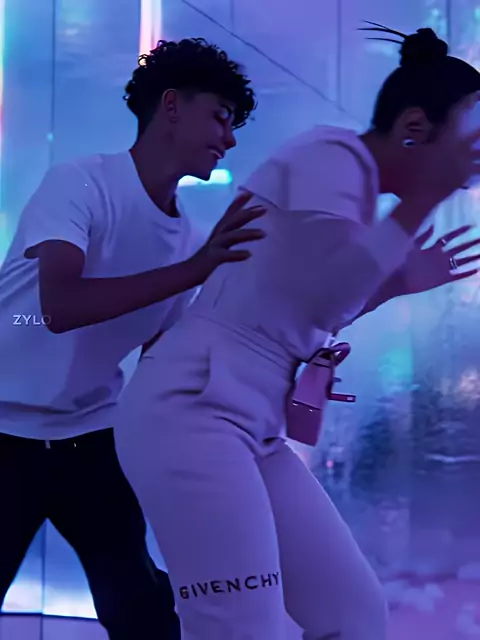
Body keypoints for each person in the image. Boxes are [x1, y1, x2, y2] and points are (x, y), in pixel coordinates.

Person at [113, 27, 480, 640]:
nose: (474, 164)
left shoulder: (353, 187)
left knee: (353, 616)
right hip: (194, 409)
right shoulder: (331, 158)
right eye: (472, 142)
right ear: (415, 125)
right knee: (240, 626)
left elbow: (311, 308)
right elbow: (328, 292)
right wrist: (417, 205)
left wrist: (397, 281)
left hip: (249, 421)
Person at [0, 38, 264, 639]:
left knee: (141, 609)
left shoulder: (187, 237)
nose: (229, 139)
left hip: (89, 436)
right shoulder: (79, 183)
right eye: (220, 117)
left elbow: (161, 361)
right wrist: (195, 271)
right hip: (3, 434)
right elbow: (59, 307)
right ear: (171, 105)